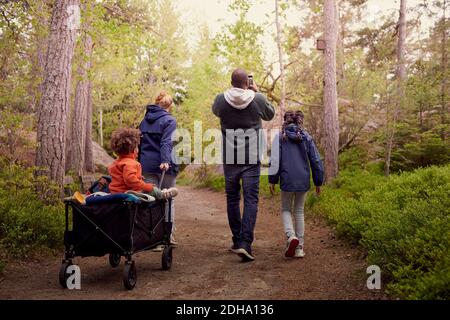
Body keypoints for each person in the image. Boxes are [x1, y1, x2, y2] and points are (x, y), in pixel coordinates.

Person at [212, 68, 275, 262]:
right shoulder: (257, 99)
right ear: (247, 83)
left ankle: (237, 240)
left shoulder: (221, 99)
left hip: (230, 157)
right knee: (250, 199)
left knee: (232, 198)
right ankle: (245, 243)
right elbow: (270, 114)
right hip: (252, 157)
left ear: (232, 82)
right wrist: (255, 92)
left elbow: (215, 110)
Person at [268, 110, 324, 258]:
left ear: (285, 121)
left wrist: (272, 180)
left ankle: (291, 236)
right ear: (300, 121)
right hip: (303, 180)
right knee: (299, 211)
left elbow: (275, 160)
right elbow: (316, 161)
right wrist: (318, 181)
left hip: (287, 180)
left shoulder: (280, 137)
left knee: (286, 209)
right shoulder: (307, 138)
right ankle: (299, 247)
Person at [139, 91, 179, 246]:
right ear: (168, 106)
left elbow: (140, 143)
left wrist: (138, 163)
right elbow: (166, 142)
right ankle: (167, 236)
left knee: (151, 199)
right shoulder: (169, 120)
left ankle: (152, 237)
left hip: (146, 164)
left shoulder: (144, 121)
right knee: (168, 199)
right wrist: (164, 160)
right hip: (165, 165)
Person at [108, 128, 164, 199]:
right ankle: (163, 195)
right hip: (127, 195)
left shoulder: (115, 163)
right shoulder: (131, 163)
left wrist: (138, 177)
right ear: (134, 149)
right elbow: (130, 180)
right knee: (151, 193)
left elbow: (120, 177)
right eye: (137, 146)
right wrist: (147, 186)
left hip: (114, 194)